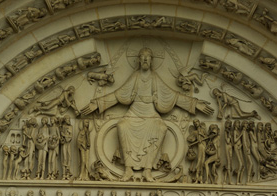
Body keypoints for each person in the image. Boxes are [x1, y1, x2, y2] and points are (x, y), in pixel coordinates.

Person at [81, 47, 214, 182]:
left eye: (147, 57)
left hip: (150, 111)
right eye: (142, 57)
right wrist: (97, 103)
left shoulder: (155, 78)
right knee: (122, 125)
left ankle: (147, 170)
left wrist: (194, 103)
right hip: (134, 110)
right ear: (138, 60)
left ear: (151, 61)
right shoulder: (136, 76)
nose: (145, 59)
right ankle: (128, 169)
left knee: (160, 127)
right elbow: (118, 94)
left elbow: (173, 95)